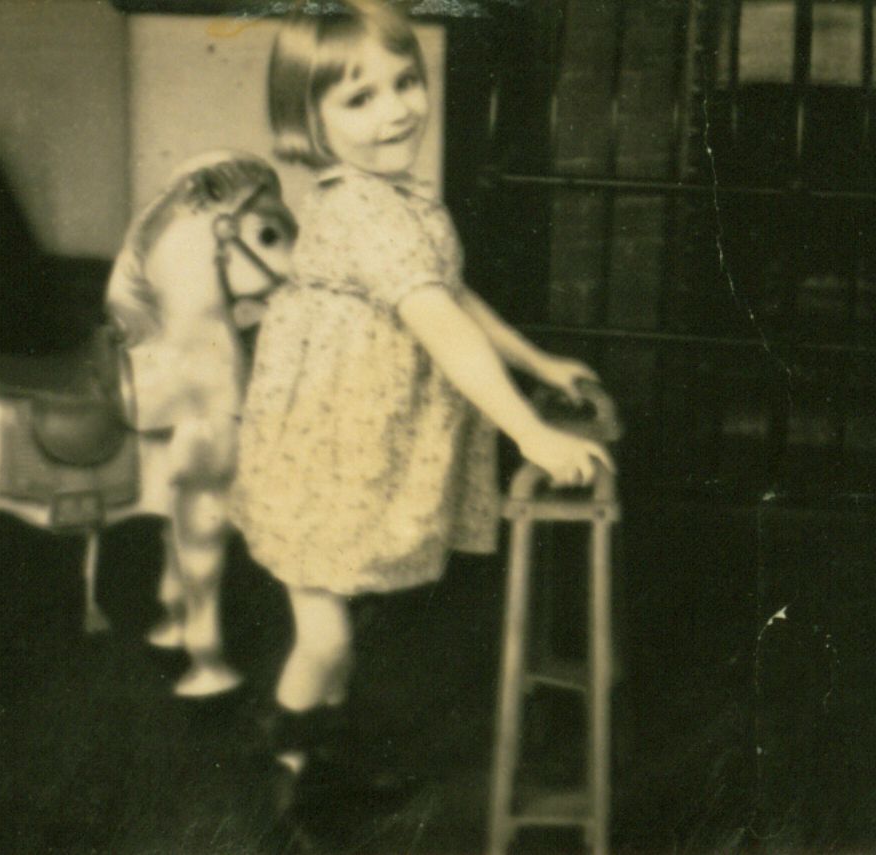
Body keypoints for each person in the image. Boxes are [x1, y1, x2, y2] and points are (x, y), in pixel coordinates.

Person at [228, 0, 615, 827]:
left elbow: (453, 294)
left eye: (406, 82)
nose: (397, 110)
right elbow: (440, 326)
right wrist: (529, 430)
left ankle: (318, 756)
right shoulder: (361, 210)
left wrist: (535, 361)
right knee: (326, 636)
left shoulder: (397, 197)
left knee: (341, 623)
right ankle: (290, 772)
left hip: (354, 447)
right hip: (319, 453)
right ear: (308, 119)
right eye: (359, 98)